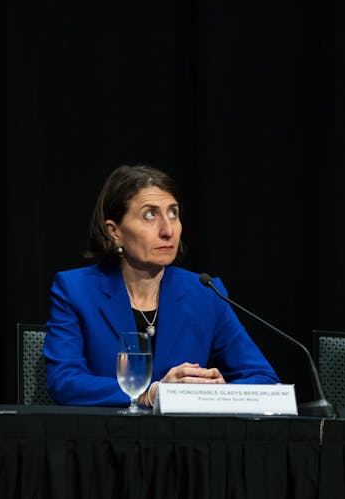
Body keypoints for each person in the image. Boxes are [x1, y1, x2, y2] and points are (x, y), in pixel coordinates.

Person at [44, 164, 280, 407]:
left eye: (173, 213)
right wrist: (150, 393)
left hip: (185, 442)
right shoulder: (75, 289)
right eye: (150, 215)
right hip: (105, 439)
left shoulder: (204, 293)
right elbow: (64, 382)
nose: (168, 231)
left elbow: (265, 380)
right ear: (114, 231)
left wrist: (217, 394)